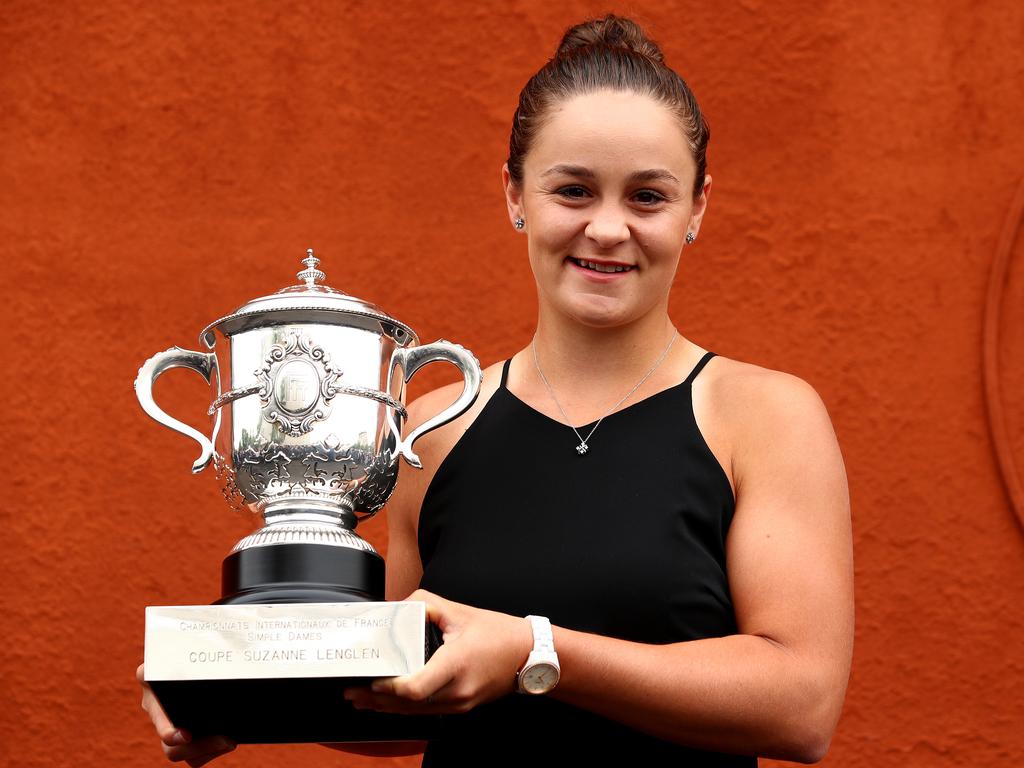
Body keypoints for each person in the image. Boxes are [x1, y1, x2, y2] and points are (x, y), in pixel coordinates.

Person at [139, 14, 853, 767]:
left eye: (648, 197)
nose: (607, 229)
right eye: (573, 190)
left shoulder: (765, 416)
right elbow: (412, 698)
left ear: (697, 207)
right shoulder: (433, 427)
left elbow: (801, 704)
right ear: (514, 194)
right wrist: (239, 699)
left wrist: (535, 650)